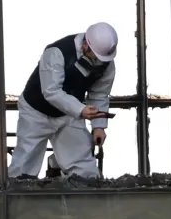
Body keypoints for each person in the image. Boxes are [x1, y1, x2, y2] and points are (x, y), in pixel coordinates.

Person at [8, 22, 118, 179]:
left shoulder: (106, 64)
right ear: (86, 44)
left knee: (82, 164)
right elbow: (51, 91)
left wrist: (99, 127)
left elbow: (100, 94)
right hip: (36, 112)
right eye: (95, 56)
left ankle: (86, 196)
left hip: (69, 115)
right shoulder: (57, 52)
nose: (98, 61)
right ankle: (18, 195)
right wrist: (80, 110)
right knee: (25, 163)